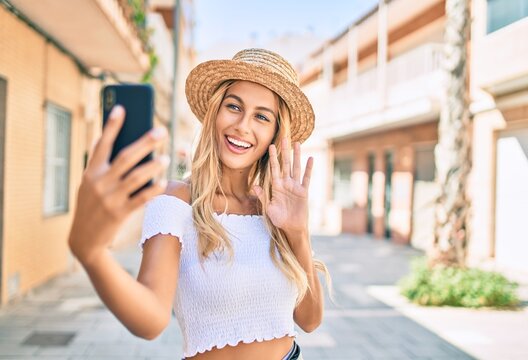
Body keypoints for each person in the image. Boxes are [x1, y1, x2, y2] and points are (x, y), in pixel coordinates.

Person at [68, 48, 334, 360]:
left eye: (262, 116)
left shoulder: (276, 209)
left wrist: (298, 233)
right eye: (233, 107)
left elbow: (310, 320)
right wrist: (91, 253)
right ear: (214, 112)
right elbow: (151, 320)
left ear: (275, 133)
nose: (243, 126)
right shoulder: (175, 201)